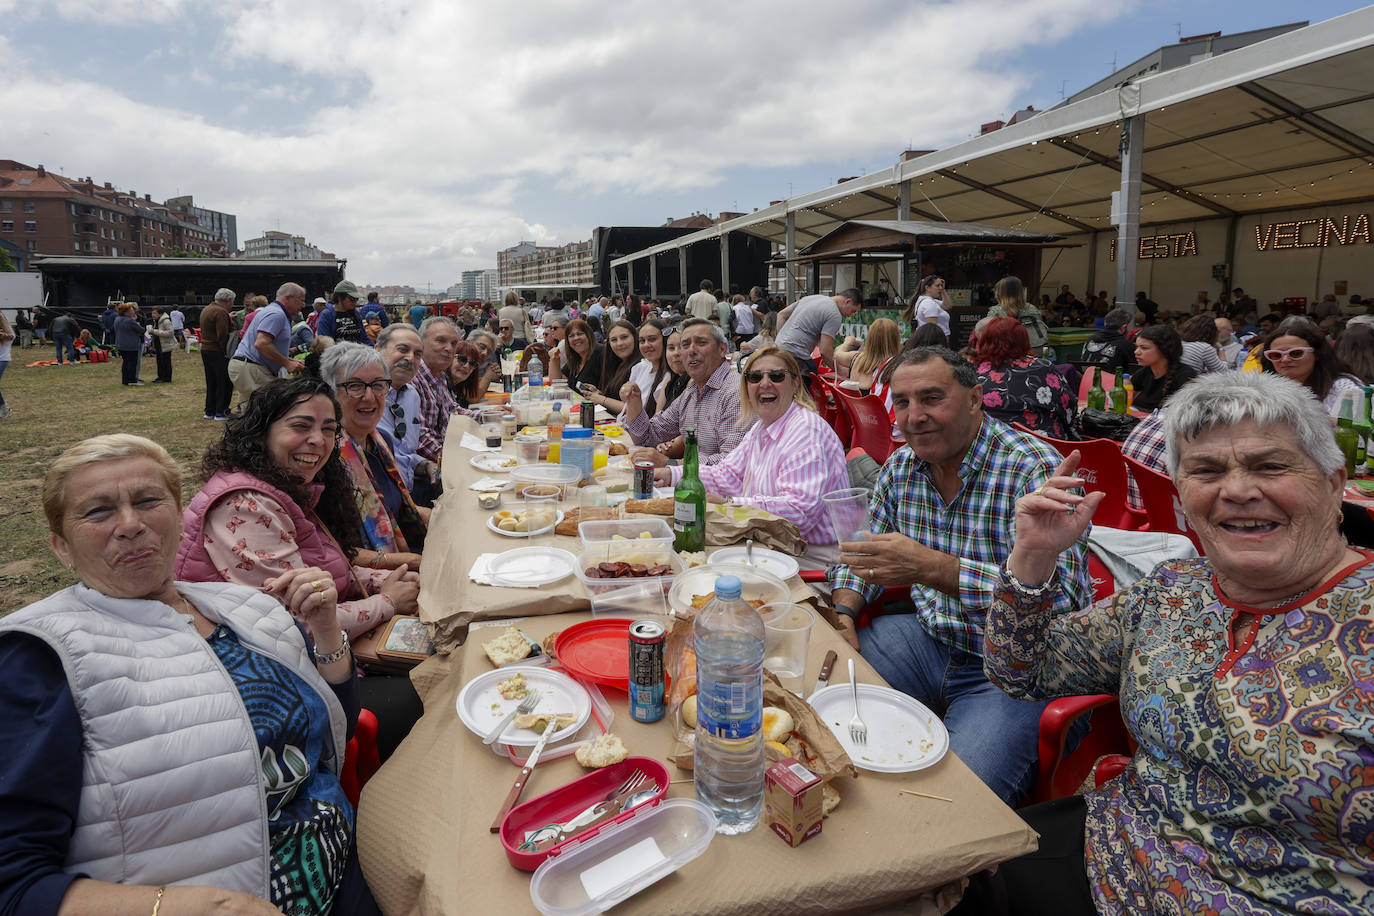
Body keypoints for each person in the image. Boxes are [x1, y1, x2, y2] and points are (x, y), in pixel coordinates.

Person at [965, 370, 1374, 915]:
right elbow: (1022, 670)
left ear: (1332, 482)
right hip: (1107, 849)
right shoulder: (1172, 590)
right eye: (1206, 470)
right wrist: (1034, 558)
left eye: (1269, 465)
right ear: (1182, 494)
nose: (1236, 489)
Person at [0, 433, 380, 915]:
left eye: (147, 500)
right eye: (97, 511)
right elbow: (14, 880)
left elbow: (330, 732)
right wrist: (182, 907)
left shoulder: (245, 607)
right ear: (62, 548)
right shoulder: (42, 658)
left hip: (349, 866)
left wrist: (326, 632)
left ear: (181, 521)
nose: (130, 524)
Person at [829, 346, 1092, 804]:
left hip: (1021, 668)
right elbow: (865, 558)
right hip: (928, 641)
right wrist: (844, 610)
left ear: (974, 400)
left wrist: (932, 568)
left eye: (932, 398)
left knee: (953, 803)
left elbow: (1063, 606)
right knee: (822, 706)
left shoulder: (1031, 467)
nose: (915, 416)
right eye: (904, 402)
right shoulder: (901, 468)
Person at [652, 347, 848, 564]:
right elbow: (728, 474)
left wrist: (730, 503)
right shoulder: (761, 428)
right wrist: (671, 474)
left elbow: (798, 513)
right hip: (772, 542)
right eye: (755, 377)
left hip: (813, 557)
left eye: (776, 376)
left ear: (794, 384)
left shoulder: (806, 431)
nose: (764, 383)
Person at [319, 343, 428, 565]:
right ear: (331, 393)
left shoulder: (381, 441)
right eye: (355, 386)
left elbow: (389, 507)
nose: (369, 397)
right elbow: (327, 548)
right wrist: (407, 561)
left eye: (378, 385)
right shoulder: (323, 456)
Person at [623, 318, 750, 467]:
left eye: (701, 343)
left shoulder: (735, 392)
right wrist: (634, 402)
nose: (691, 350)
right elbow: (647, 436)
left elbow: (732, 463)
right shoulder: (691, 392)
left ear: (722, 349)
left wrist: (671, 464)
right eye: (685, 345)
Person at [975, 317, 1076, 439]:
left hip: (990, 448)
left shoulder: (975, 372)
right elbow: (1069, 409)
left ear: (984, 340)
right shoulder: (1043, 368)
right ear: (1024, 340)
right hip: (1045, 449)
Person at [375, 324, 435, 493]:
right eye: (402, 349)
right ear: (378, 349)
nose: (410, 358)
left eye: (417, 354)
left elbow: (403, 454)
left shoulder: (412, 396)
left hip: (410, 493)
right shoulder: (364, 400)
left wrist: (427, 465)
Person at [413, 317, 479, 467]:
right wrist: (458, 461)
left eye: (453, 344)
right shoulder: (413, 379)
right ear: (420, 343)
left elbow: (453, 411)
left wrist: (491, 417)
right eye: (440, 341)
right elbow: (420, 438)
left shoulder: (440, 376)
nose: (449, 348)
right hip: (426, 474)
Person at [1259, 316, 1363, 412]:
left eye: (1296, 353)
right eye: (1276, 355)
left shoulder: (1344, 387)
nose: (1285, 359)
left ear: (1317, 354)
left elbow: (1356, 426)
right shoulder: (1264, 388)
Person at [230, 282, 307, 408]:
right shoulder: (277, 314)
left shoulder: (273, 311)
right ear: (288, 298)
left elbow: (266, 346)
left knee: (254, 414)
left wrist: (289, 360)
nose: (303, 306)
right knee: (263, 413)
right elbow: (262, 344)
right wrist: (286, 363)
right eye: (301, 301)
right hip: (252, 368)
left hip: (250, 367)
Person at [775, 288, 864, 376]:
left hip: (776, 351)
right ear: (848, 301)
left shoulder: (811, 298)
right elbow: (825, 351)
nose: (851, 315)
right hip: (796, 358)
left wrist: (782, 340)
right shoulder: (834, 315)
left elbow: (781, 314)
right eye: (853, 311)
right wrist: (840, 370)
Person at [1130, 324, 1198, 413]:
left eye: (1144, 348)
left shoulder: (1185, 377)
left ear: (1164, 350)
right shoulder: (1144, 372)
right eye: (1136, 347)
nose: (1136, 352)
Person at [579, 319, 640, 415]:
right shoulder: (616, 364)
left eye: (624, 337)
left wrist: (602, 399)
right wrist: (598, 394)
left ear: (635, 338)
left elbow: (634, 409)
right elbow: (616, 399)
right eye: (614, 340)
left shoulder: (641, 366)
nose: (619, 343)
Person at [621, 318, 674, 419]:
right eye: (642, 341)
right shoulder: (640, 367)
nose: (646, 345)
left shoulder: (669, 377)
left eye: (652, 339)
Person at [835, 317, 901, 394]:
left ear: (870, 338)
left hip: (853, 405)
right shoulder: (895, 369)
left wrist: (848, 342)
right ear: (895, 340)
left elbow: (837, 354)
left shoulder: (856, 358)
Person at [985, 275, 1049, 351]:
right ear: (1020, 291)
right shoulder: (1032, 309)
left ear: (1000, 293)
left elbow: (988, 337)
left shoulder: (995, 312)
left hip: (1006, 354)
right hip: (1034, 352)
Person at [199, 288, 233, 420]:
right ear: (228, 300)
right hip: (217, 350)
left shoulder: (207, 309)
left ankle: (210, 410)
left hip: (206, 348)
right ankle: (221, 410)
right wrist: (226, 351)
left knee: (211, 380)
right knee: (224, 381)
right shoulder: (220, 312)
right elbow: (222, 335)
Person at [1080, 306, 1135, 373]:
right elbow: (1135, 369)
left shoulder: (1090, 339)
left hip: (1086, 380)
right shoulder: (1125, 345)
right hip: (1112, 382)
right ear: (1123, 327)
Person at [317, 280, 372, 345]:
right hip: (336, 354)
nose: (355, 302)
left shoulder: (355, 313)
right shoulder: (326, 315)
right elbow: (324, 343)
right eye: (352, 299)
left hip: (357, 353)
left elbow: (364, 338)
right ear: (340, 297)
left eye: (356, 299)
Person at [551, 318, 603, 388]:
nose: (576, 338)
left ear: (589, 335)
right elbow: (557, 384)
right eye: (571, 336)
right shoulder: (576, 358)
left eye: (580, 334)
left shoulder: (601, 353)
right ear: (568, 342)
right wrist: (554, 360)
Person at [112, 302, 145, 386]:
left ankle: (125, 380)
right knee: (132, 363)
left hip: (121, 344)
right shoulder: (130, 321)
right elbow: (141, 330)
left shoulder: (117, 319)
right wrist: (134, 320)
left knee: (125, 362)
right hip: (131, 345)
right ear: (126, 312)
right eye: (131, 310)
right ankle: (132, 380)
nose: (133, 311)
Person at [447, 339, 485, 408]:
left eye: (472, 363)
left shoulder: (459, 391)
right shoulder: (441, 386)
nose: (466, 366)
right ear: (450, 358)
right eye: (462, 359)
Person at [662, 325, 691, 407]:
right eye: (671, 348)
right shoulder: (670, 381)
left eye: (682, 346)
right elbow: (657, 418)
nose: (676, 353)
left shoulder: (695, 384)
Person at [148, 306, 175, 383]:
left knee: (166, 361)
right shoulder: (156, 321)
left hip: (165, 344)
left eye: (155, 313)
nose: (153, 315)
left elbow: (170, 333)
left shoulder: (166, 321)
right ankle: (160, 376)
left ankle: (167, 378)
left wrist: (155, 331)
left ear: (160, 314)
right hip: (159, 344)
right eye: (152, 313)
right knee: (159, 361)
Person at [0, 309, 11, 418]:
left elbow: (11, 337)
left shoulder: (7, 329)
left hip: (2, 359)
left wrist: (3, 336)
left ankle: (4, 407)